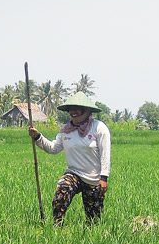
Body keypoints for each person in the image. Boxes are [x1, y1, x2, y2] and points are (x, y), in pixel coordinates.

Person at [28, 92, 110, 225]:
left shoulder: (99, 128)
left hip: (94, 178)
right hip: (74, 173)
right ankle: (57, 226)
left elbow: (105, 154)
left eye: (77, 108)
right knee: (62, 190)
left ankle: (92, 236)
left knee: (93, 219)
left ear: (87, 111)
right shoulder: (66, 130)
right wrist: (38, 137)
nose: (73, 112)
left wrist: (104, 177)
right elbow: (53, 148)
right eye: (70, 109)